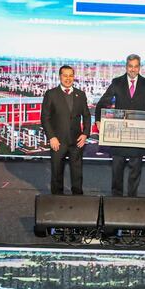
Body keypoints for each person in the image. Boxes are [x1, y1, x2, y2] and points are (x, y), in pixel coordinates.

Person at [95, 54, 145, 197]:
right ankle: (116, 198)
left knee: (136, 168)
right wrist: (98, 120)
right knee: (117, 167)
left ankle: (132, 198)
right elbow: (103, 102)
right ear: (126, 67)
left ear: (139, 67)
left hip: (138, 133)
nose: (133, 69)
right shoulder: (117, 82)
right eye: (130, 66)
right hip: (120, 132)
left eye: (136, 66)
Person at [40, 65, 91, 195]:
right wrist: (51, 137)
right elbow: (45, 118)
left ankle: (78, 198)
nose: (68, 79)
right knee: (57, 173)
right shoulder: (51, 94)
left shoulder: (81, 94)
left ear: (73, 77)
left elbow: (86, 116)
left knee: (77, 173)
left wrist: (85, 134)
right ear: (60, 77)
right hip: (58, 141)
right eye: (65, 75)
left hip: (77, 142)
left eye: (70, 76)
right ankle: (57, 200)